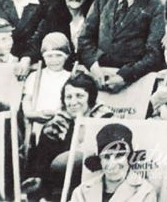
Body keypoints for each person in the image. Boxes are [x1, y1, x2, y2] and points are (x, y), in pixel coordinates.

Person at [78, 0, 165, 92]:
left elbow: (154, 54)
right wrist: (93, 65)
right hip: (98, 71)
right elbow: (85, 37)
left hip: (132, 79)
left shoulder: (155, 7)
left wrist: (125, 76)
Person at [24, 72, 114, 202]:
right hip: (62, 187)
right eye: (68, 97)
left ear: (91, 97)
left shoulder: (105, 120)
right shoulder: (57, 125)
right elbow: (43, 164)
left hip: (99, 184)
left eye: (79, 96)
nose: (73, 102)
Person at [70, 123, 157, 202]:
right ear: (100, 160)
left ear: (129, 158)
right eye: (106, 157)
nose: (112, 164)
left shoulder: (145, 192)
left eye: (119, 156)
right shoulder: (82, 191)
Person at [21, 32, 72, 131]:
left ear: (66, 56)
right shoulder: (35, 76)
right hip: (37, 121)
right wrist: (30, 113)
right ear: (43, 57)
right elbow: (27, 99)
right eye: (49, 56)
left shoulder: (70, 77)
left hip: (62, 124)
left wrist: (58, 114)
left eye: (58, 55)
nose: (54, 60)